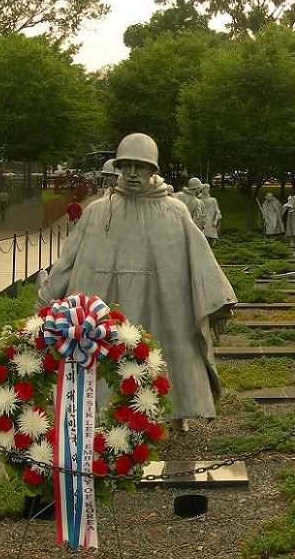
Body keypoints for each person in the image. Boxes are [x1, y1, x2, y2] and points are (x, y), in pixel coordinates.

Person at [35, 133, 237, 430]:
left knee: (169, 351)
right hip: (108, 307)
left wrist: (218, 304)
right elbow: (69, 260)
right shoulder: (99, 211)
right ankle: (100, 413)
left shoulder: (174, 211)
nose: (131, 173)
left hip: (163, 303)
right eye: (126, 165)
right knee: (107, 357)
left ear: (153, 170)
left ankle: (176, 409)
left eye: (140, 166)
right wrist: (47, 299)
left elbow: (201, 259)